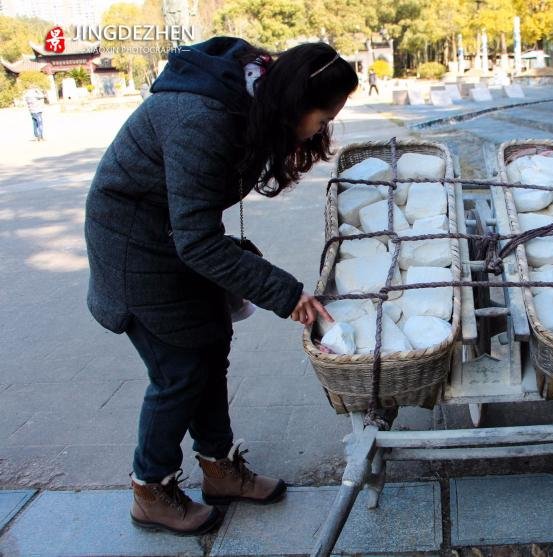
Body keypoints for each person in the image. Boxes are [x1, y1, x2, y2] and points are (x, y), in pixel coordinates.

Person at [84, 37, 356, 535]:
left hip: (173, 235)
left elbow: (193, 228)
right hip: (134, 245)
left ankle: (220, 467)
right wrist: (286, 293)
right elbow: (197, 240)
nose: (322, 129)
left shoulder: (251, 98)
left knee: (211, 345)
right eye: (322, 119)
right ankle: (151, 489)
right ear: (296, 103)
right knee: (179, 369)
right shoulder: (203, 121)